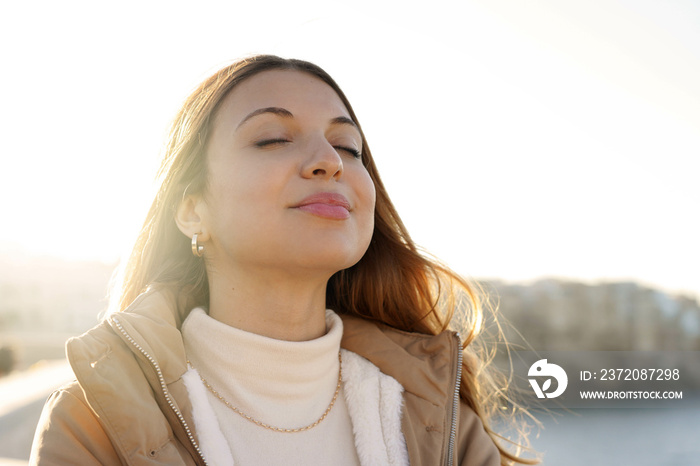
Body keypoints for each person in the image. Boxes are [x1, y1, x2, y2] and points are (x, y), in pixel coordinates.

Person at [30, 55, 535, 465]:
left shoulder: (439, 422)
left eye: (347, 146)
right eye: (273, 138)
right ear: (191, 209)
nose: (330, 161)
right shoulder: (93, 425)